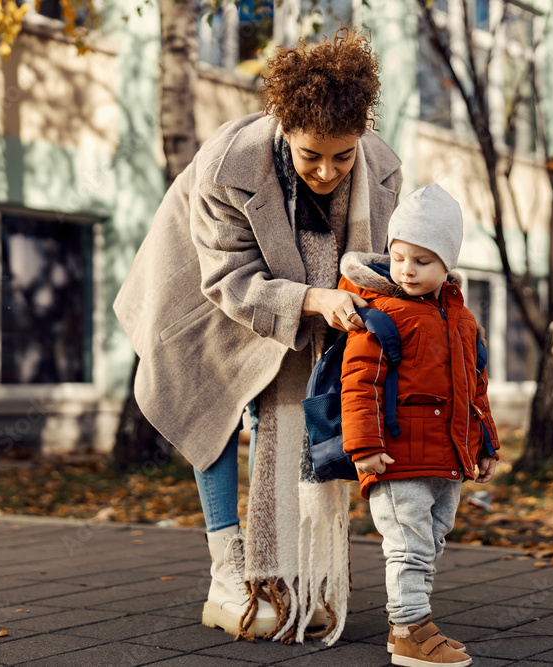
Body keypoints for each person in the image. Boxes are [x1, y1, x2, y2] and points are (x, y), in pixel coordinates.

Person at [112, 28, 402, 645]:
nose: (328, 171)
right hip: (199, 288)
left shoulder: (382, 168)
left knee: (290, 404)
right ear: (283, 127)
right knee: (209, 403)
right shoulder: (228, 165)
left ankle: (299, 575)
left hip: (303, 292)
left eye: (342, 156)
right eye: (310, 156)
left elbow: (374, 262)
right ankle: (229, 574)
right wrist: (315, 299)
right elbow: (231, 277)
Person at [338, 184, 500, 666]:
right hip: (396, 455)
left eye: (422, 261)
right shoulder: (380, 314)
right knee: (407, 546)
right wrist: (364, 446)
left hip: (447, 456)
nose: (406, 269)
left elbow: (475, 388)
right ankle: (411, 631)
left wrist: (485, 443)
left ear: (447, 263)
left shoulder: (463, 321)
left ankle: (404, 624)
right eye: (399, 256)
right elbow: (359, 382)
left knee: (429, 543)